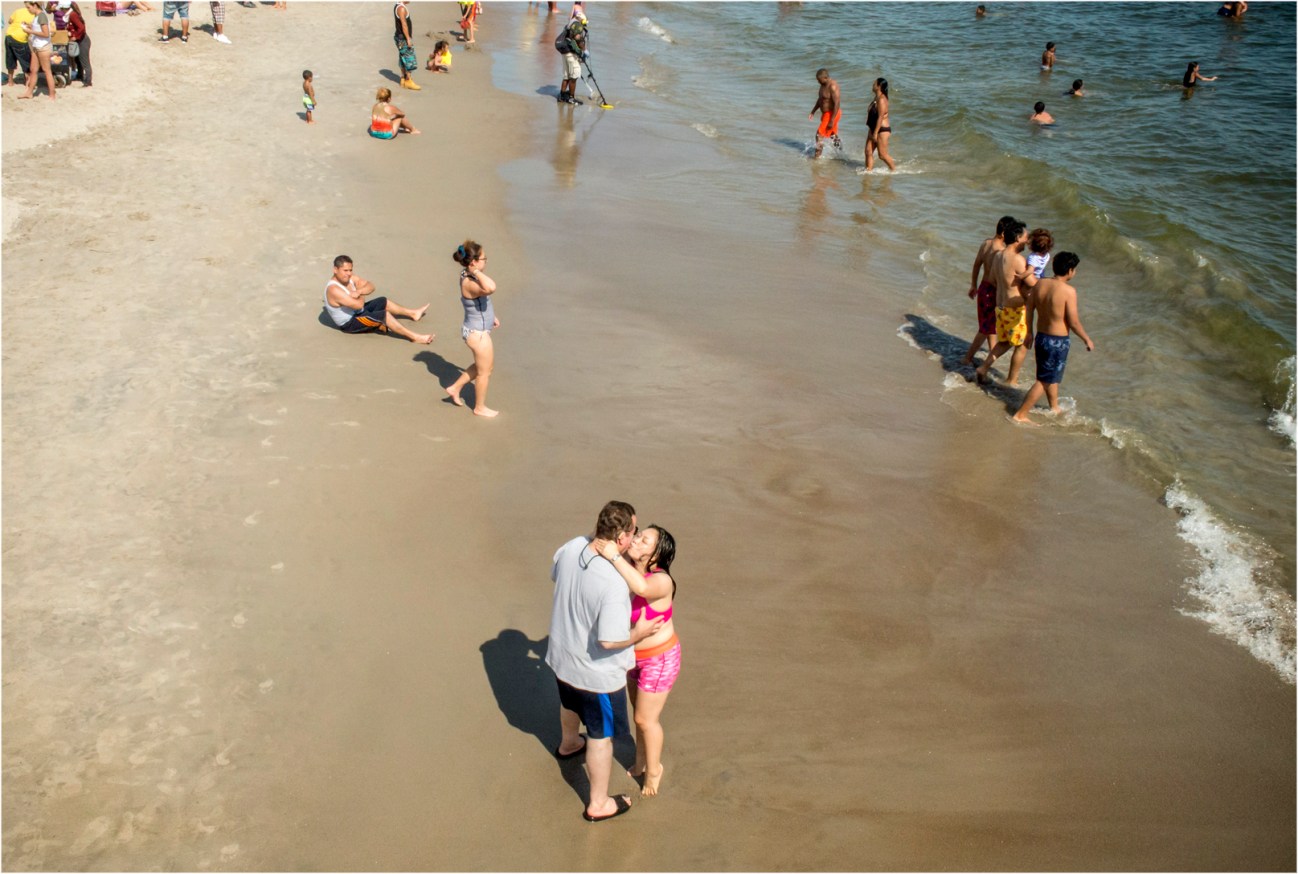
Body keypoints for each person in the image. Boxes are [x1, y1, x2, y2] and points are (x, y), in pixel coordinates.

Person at [547, 501, 663, 823]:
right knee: (601, 735)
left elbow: (556, 574)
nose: (636, 537)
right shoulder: (614, 583)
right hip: (593, 675)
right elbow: (609, 641)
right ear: (624, 537)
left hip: (561, 657)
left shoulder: (571, 547)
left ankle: (569, 743)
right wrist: (637, 634)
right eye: (634, 532)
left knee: (568, 703)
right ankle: (598, 803)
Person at [596, 525, 679, 797]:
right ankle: (642, 761)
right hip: (634, 657)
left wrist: (614, 556)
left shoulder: (661, 580)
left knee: (646, 719)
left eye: (646, 541)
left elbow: (641, 587)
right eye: (640, 534)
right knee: (639, 715)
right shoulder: (630, 569)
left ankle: (654, 769)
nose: (638, 540)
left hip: (660, 658)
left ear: (655, 556)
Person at [1011, 251, 1094, 423]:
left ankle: (1054, 407)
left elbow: (1029, 308)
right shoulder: (1069, 291)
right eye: (1075, 270)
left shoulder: (1040, 284)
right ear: (1070, 270)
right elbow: (1073, 322)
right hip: (1058, 342)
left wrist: (1029, 332)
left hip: (1041, 338)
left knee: (1050, 376)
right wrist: (1086, 338)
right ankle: (1021, 414)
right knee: (1044, 380)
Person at [974, 220, 1038, 386]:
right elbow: (1033, 283)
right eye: (1025, 237)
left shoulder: (998, 255)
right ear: (1017, 238)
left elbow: (994, 279)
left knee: (1004, 342)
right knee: (1023, 344)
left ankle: (984, 367)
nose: (1027, 241)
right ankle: (1012, 380)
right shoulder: (1018, 259)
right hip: (1015, 308)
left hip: (1000, 306)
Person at [322, 255, 434, 344]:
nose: (349, 274)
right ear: (335, 269)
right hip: (350, 323)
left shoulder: (350, 278)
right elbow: (359, 305)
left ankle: (413, 313)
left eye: (350, 270)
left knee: (382, 300)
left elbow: (371, 285)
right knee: (383, 315)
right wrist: (361, 289)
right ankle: (415, 337)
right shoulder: (334, 289)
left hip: (358, 312)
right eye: (345, 270)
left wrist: (359, 291)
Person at [445, 241, 501, 417]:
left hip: (477, 329)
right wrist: (476, 271)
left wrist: (492, 317)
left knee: (481, 366)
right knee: (485, 372)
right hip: (478, 334)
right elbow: (491, 288)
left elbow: (479, 303)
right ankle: (479, 407)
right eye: (484, 259)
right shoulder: (470, 281)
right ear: (473, 262)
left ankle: (455, 388)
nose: (486, 262)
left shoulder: (467, 274)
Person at [962, 215, 1015, 366]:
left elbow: (977, 264)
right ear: (1004, 234)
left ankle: (993, 353)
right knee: (985, 328)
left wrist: (973, 284)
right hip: (992, 292)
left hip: (983, 287)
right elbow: (1001, 278)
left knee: (991, 326)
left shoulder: (986, 243)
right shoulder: (1002, 252)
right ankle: (968, 357)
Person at [18, 1, 53, 100]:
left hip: (43, 47)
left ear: (35, 5)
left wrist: (30, 31)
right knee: (33, 70)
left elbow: (46, 33)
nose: (28, 10)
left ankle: (52, 94)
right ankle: (29, 92)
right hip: (36, 46)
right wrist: (29, 26)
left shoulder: (42, 16)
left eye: (29, 7)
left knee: (47, 70)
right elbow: (38, 27)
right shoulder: (37, 16)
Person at [808, 68, 842, 158]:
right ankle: (841, 153)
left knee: (819, 134)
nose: (818, 82)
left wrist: (832, 120)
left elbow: (837, 103)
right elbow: (821, 100)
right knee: (832, 134)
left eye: (819, 80)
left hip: (832, 114)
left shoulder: (833, 86)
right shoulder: (823, 85)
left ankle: (817, 157)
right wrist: (813, 111)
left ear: (825, 78)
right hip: (826, 114)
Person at [865, 77, 896, 171]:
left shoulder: (882, 99)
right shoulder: (876, 97)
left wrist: (875, 133)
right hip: (873, 128)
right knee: (868, 151)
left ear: (879, 86)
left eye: (874, 84)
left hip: (881, 130)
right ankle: (868, 171)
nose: (872, 85)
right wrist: (871, 130)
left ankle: (893, 170)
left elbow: (880, 117)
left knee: (882, 155)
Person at [554, 14, 586, 104]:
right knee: (574, 77)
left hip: (565, 53)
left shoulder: (570, 23)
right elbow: (577, 38)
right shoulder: (577, 25)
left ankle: (562, 96)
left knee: (566, 76)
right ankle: (571, 98)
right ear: (582, 20)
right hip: (571, 55)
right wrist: (584, 50)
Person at [5, 2, 35, 88]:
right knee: (25, 60)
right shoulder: (34, 14)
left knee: (10, 58)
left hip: (9, 35)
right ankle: (28, 82)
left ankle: (10, 81)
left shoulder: (18, 11)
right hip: (20, 38)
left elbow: (10, 21)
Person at [393, 1, 419, 90]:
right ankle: (408, 80)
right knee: (409, 58)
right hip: (402, 38)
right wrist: (408, 38)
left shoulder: (398, 6)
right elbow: (404, 24)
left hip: (399, 37)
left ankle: (403, 79)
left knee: (402, 58)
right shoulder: (401, 8)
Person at [66, 0, 89, 86]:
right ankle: (80, 75)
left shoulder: (73, 15)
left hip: (83, 40)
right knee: (77, 59)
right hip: (79, 40)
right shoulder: (73, 14)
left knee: (84, 61)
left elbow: (81, 28)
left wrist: (75, 36)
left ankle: (88, 81)